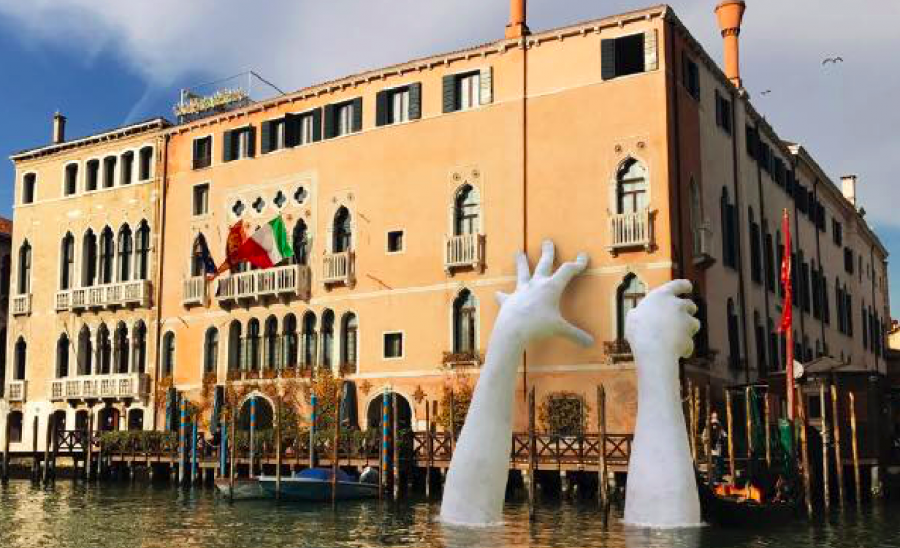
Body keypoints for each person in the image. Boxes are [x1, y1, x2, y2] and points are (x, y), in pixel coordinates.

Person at [708, 411, 727, 485]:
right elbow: (704, 437)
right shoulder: (708, 428)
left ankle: (719, 477)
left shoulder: (719, 427)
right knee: (716, 463)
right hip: (712, 449)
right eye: (713, 424)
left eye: (715, 423)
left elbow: (724, 434)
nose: (714, 425)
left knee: (720, 463)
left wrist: (723, 438)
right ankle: (715, 478)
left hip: (718, 448)